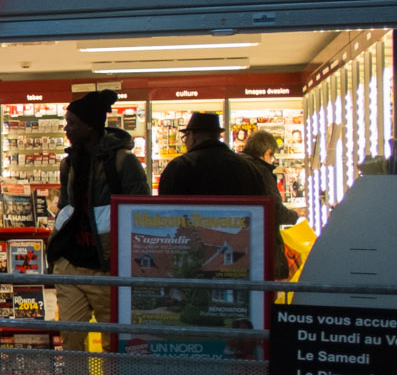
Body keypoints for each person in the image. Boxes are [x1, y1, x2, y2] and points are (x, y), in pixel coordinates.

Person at [47, 89, 150, 353]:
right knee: (70, 340)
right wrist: (56, 252)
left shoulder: (123, 162)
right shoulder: (69, 163)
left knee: (113, 342)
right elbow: (66, 208)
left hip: (107, 267)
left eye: (72, 123)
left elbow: (140, 213)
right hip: (70, 264)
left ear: (90, 126)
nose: (66, 128)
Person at [159, 113, 284, 274]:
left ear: (193, 136)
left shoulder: (179, 167)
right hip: (239, 256)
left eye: (185, 137)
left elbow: (166, 217)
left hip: (192, 256)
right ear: (217, 136)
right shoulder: (249, 168)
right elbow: (261, 214)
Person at [240, 130, 299, 278]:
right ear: (267, 153)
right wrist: (296, 217)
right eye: (272, 156)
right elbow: (275, 210)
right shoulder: (262, 172)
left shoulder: (238, 166)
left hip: (240, 242)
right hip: (262, 245)